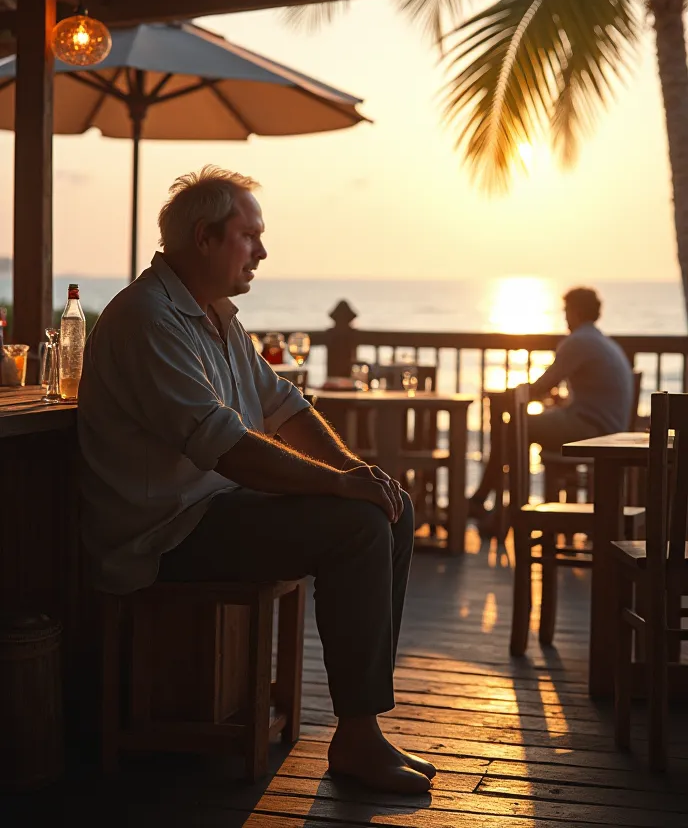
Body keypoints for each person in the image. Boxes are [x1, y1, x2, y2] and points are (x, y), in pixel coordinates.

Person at [78, 166, 434, 795]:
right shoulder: (148, 320)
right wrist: (339, 489)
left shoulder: (216, 317)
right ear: (204, 238)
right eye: (250, 236)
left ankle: (363, 725)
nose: (263, 252)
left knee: (389, 505)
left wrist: (353, 472)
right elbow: (229, 448)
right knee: (354, 523)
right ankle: (356, 735)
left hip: (215, 511)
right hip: (163, 535)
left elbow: (286, 407)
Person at [469, 286, 633, 516]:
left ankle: (504, 508)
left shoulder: (578, 341)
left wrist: (506, 395)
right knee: (518, 428)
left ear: (575, 312)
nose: (565, 316)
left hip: (593, 430)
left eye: (566, 310)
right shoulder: (601, 341)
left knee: (512, 428)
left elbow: (540, 387)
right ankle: (492, 505)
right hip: (609, 428)